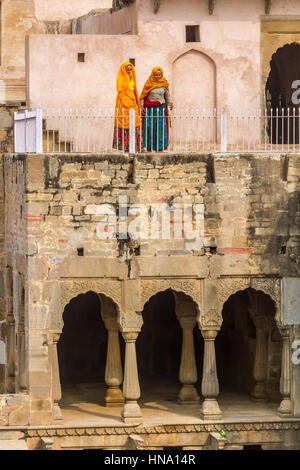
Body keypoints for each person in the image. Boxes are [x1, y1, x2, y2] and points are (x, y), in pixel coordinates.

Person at [140, 67, 173, 151]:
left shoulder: (164, 83)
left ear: (162, 75)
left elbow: (167, 95)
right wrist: (141, 106)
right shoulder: (148, 84)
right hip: (150, 110)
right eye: (156, 75)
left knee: (160, 128)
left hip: (161, 109)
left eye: (159, 75)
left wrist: (170, 103)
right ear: (153, 75)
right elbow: (143, 96)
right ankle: (148, 147)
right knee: (149, 127)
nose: (158, 76)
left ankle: (160, 147)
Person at [112, 61, 141, 152]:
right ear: (123, 70)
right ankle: (124, 147)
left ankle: (133, 147)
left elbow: (133, 90)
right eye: (127, 69)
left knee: (134, 122)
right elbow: (121, 91)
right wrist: (127, 103)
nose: (129, 71)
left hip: (132, 103)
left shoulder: (132, 78)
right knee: (124, 121)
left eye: (130, 69)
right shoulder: (121, 78)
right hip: (124, 103)